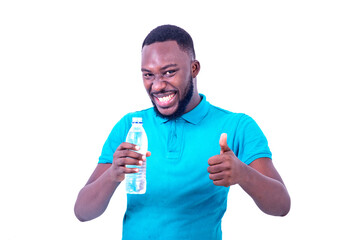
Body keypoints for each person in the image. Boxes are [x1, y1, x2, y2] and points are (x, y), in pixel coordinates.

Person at [74, 24, 291, 240]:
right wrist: (113, 174)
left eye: (169, 72)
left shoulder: (236, 125)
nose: (157, 86)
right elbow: (82, 212)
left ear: (194, 69)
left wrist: (243, 174)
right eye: (148, 75)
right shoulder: (130, 126)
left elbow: (281, 206)